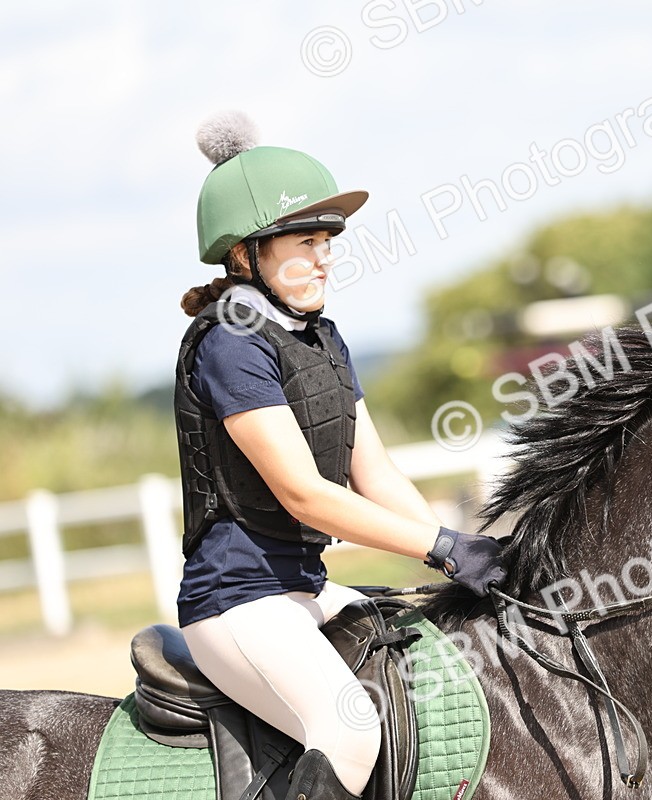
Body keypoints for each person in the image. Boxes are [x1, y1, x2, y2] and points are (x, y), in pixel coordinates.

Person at [174, 111, 506, 800]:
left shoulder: (320, 338)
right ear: (247, 254)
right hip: (238, 604)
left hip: (307, 589)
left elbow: (374, 469)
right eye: (305, 241)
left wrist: (457, 552)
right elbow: (304, 495)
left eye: (327, 240)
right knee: (350, 727)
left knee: (432, 679)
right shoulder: (231, 342)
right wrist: (442, 545)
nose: (325, 256)